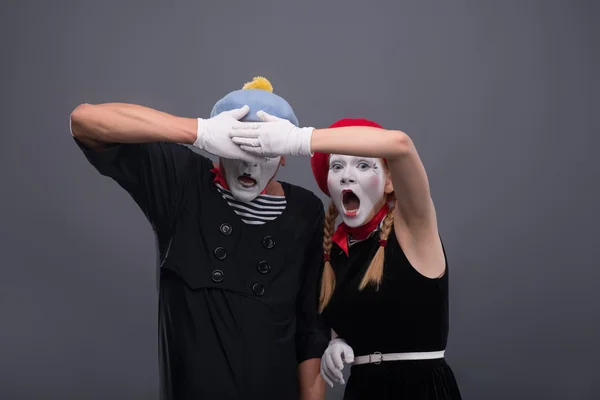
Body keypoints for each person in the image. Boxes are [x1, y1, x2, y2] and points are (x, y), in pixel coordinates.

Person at [69, 77, 329, 400]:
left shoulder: (306, 212)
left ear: (284, 154)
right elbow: (85, 122)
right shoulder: (182, 184)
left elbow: (310, 332)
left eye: (262, 151)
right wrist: (197, 131)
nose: (248, 163)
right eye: (238, 146)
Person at [228, 116, 463, 398]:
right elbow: (355, 314)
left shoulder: (413, 228)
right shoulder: (336, 252)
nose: (346, 175)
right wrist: (337, 344)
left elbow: (400, 144)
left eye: (364, 165)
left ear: (390, 181)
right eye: (337, 166)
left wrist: (299, 139)